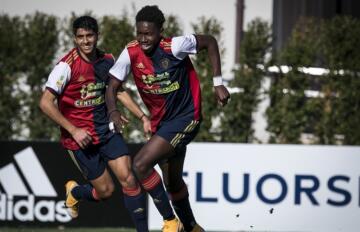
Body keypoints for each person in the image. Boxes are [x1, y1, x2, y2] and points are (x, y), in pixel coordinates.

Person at [39, 15, 181, 232]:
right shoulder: (65, 67)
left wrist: (142, 117)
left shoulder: (106, 60)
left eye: (90, 36)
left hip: (106, 130)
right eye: (80, 37)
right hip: (79, 139)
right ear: (75, 39)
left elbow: (118, 91)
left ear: (97, 35)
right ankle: (75, 192)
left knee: (129, 179)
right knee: (105, 191)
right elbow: (45, 103)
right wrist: (74, 129)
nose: (86, 41)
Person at [106, 5, 230, 232]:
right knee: (172, 183)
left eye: (149, 33)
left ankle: (170, 222)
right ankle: (192, 227)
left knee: (141, 164)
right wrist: (113, 111)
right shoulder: (131, 52)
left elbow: (210, 42)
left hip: (186, 117)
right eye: (139, 33)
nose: (143, 39)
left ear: (160, 31)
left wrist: (218, 82)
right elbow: (112, 86)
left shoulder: (174, 45)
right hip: (162, 124)